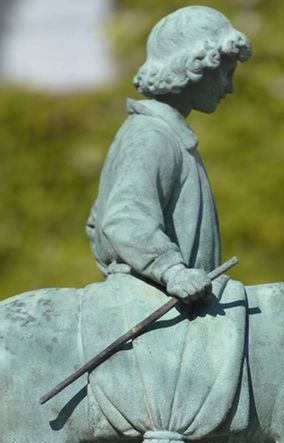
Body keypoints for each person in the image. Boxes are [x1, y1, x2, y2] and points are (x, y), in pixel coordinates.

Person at [86, 5, 251, 302]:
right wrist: (172, 270)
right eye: (226, 72)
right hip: (154, 303)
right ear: (197, 67)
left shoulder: (160, 133)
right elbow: (123, 218)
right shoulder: (153, 136)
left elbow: (95, 221)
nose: (230, 87)